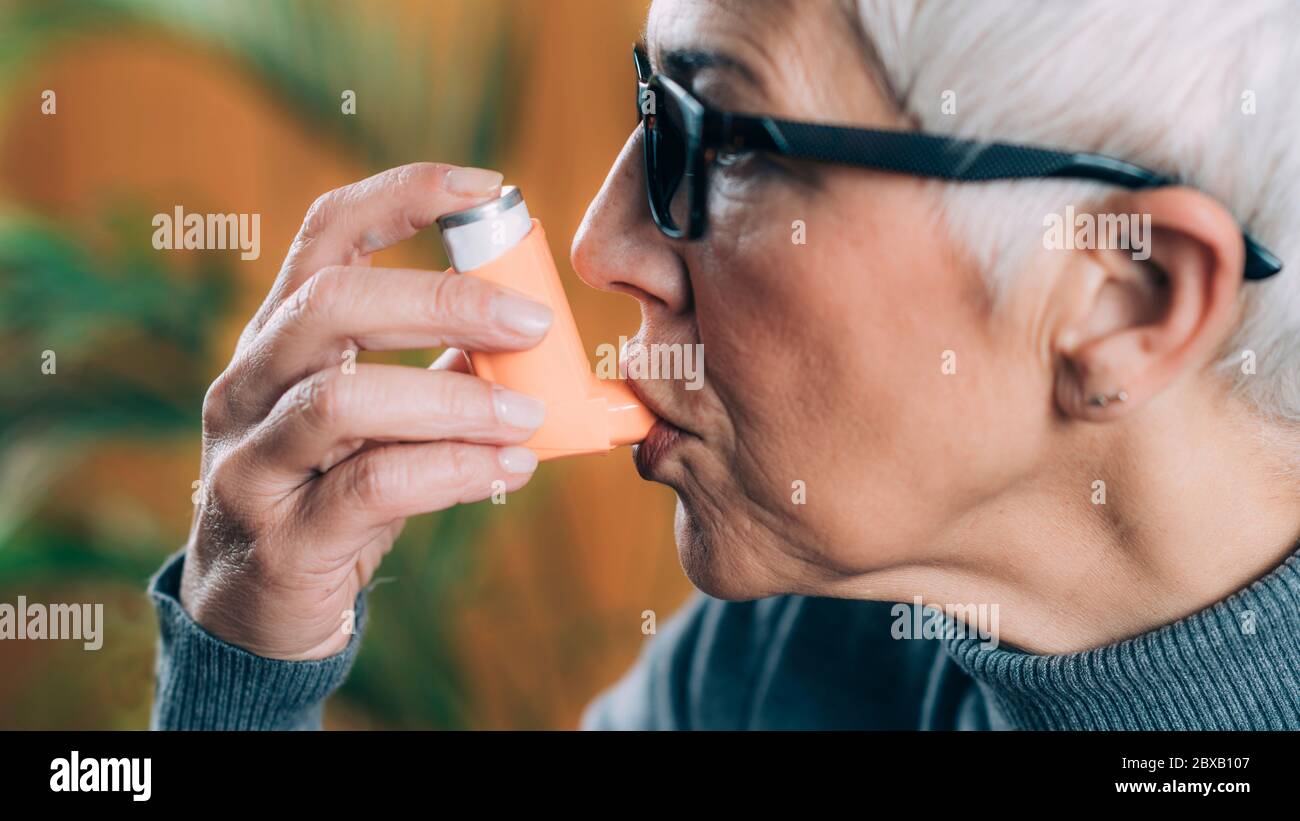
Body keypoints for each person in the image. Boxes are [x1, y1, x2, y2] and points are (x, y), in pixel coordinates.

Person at [148, 0, 1300, 730]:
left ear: (1124, 296)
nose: (602, 246)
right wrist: (244, 665)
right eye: (654, 108)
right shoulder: (793, 652)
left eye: (727, 141)